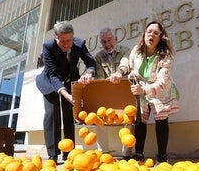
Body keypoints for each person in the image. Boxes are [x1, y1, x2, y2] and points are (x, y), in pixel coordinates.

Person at [36, 21, 96, 163]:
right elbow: (52, 74)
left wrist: (89, 72)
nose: (66, 44)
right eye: (62, 41)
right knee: (53, 113)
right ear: (55, 37)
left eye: (69, 40)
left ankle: (68, 153)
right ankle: (53, 154)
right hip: (50, 82)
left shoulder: (79, 44)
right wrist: (64, 93)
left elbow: (90, 62)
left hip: (70, 81)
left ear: (73, 36)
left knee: (69, 115)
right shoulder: (48, 47)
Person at [124, 21, 179, 163]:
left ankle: (162, 157)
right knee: (140, 119)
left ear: (161, 37)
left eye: (156, 33)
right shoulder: (136, 50)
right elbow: (129, 66)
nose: (151, 35)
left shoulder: (166, 55)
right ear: (144, 34)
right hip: (141, 87)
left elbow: (162, 81)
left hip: (160, 90)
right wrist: (124, 73)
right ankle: (139, 154)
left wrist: (145, 89)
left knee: (161, 119)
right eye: (149, 31)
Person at [94, 27, 133, 160]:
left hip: (124, 93)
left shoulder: (125, 51)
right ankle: (104, 153)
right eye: (104, 41)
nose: (107, 44)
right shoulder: (98, 57)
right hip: (107, 94)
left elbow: (125, 63)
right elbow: (99, 78)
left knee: (129, 118)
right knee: (98, 118)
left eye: (109, 40)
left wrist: (119, 73)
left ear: (115, 39)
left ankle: (127, 154)